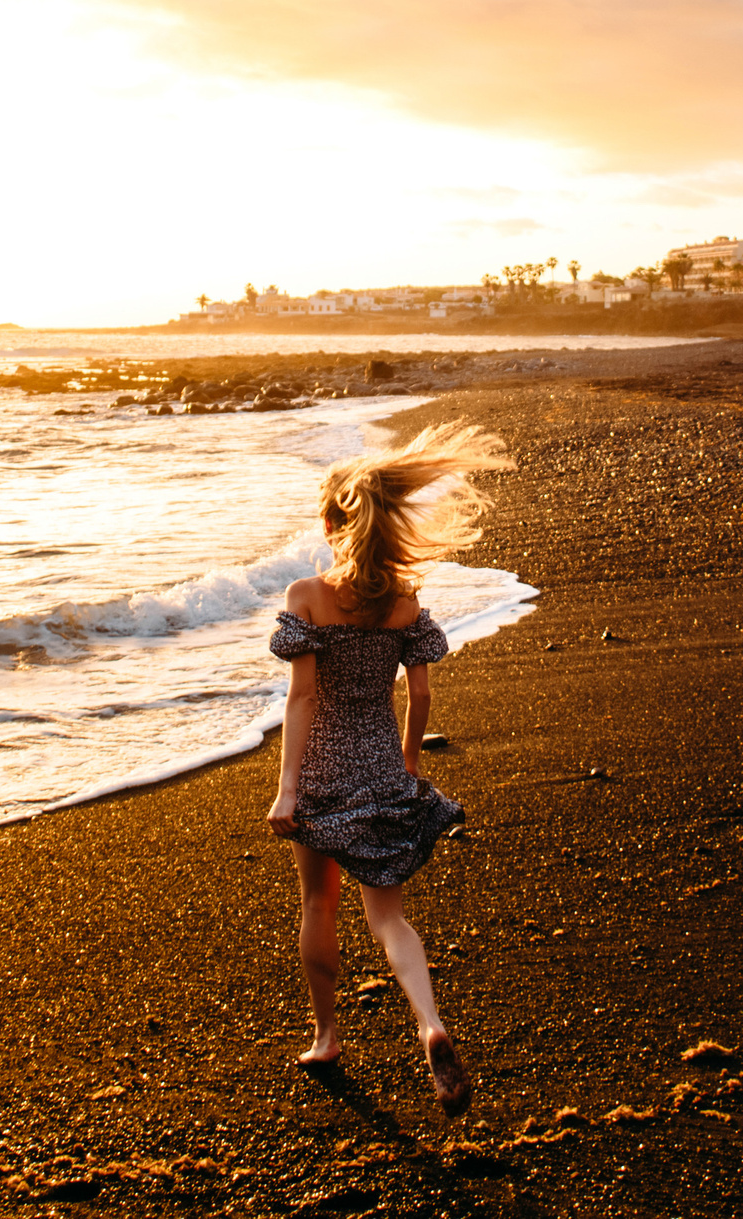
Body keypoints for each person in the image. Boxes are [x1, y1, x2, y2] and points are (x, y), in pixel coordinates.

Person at [267, 419, 510, 1116]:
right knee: (390, 918)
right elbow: (421, 694)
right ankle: (429, 1023)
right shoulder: (404, 602)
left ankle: (327, 1037)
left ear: (329, 523)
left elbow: (303, 697)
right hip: (381, 766)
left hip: (322, 771)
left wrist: (288, 790)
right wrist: (405, 762)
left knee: (319, 904)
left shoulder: (306, 597)